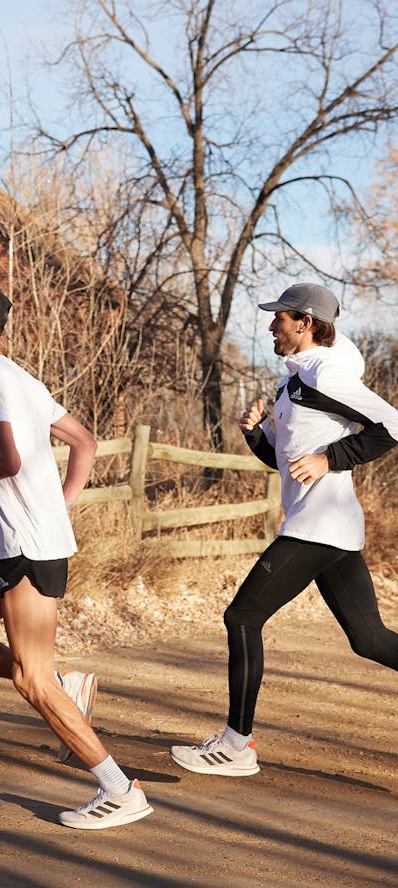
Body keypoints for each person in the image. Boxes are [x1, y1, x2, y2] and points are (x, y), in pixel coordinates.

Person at [0, 283, 152, 830]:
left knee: (30, 679)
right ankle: (68, 686)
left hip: (30, 550)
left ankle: (121, 789)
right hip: (26, 544)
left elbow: (6, 459)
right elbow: (85, 443)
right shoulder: (21, 378)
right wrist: (58, 507)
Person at [170, 283, 398, 776]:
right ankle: (236, 744)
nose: (271, 325)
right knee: (371, 640)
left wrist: (330, 457)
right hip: (328, 529)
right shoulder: (292, 383)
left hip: (318, 527)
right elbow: (284, 462)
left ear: (306, 323)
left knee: (242, 619)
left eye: (280, 318)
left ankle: (235, 745)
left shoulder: (325, 377)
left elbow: (391, 426)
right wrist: (257, 432)